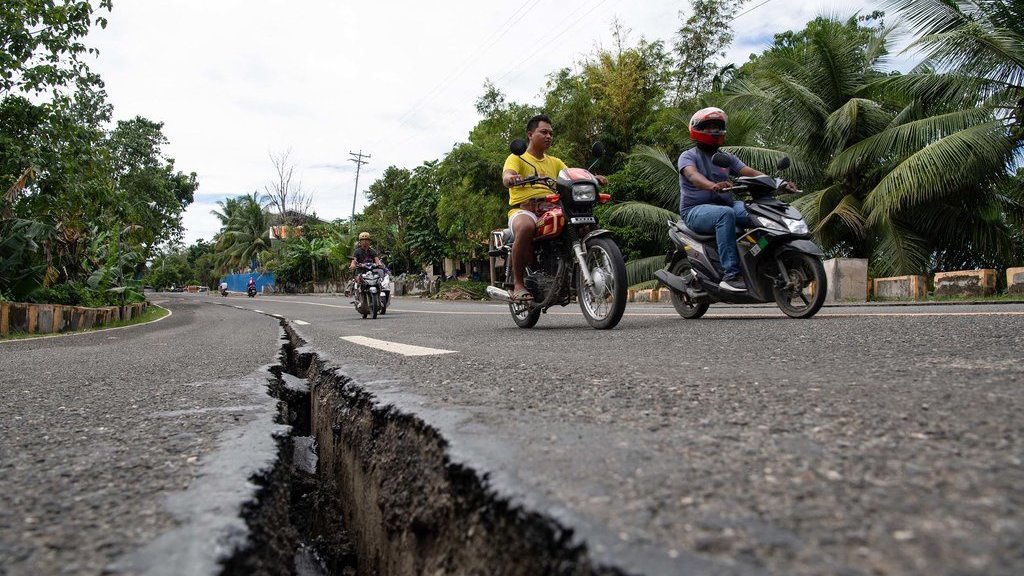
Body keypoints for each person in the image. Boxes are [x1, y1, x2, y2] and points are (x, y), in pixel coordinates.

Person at [678, 106, 795, 292]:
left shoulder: (726, 158)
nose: (715, 130)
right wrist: (712, 185)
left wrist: (778, 183)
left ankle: (760, 261)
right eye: (709, 127)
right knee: (725, 215)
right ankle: (731, 275)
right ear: (698, 129)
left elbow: (750, 172)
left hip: (727, 204)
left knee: (759, 211)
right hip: (695, 210)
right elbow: (692, 176)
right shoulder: (688, 156)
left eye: (718, 126)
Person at [502, 114, 606, 302]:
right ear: (530, 135)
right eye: (544, 132)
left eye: (551, 133)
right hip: (525, 210)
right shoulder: (517, 158)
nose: (549, 136)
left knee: (584, 225)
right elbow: (507, 175)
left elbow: (571, 176)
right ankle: (518, 284)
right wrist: (511, 178)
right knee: (525, 227)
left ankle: (575, 272)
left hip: (553, 207)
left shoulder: (555, 162)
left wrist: (591, 177)